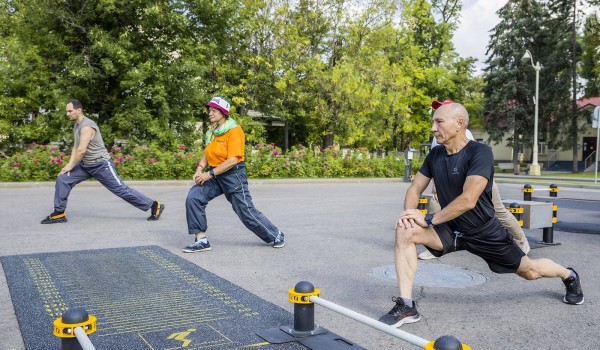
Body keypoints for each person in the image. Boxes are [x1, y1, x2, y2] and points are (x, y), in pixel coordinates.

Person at [379, 101, 583, 328]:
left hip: (483, 231)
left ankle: (569, 275)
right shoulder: (435, 154)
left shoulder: (480, 152)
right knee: (405, 230)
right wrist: (410, 213)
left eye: (439, 122)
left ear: (459, 124)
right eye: (433, 122)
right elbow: (414, 188)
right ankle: (407, 305)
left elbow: (468, 200)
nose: (433, 128)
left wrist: (427, 219)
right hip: (449, 229)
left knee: (530, 271)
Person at [418, 100, 530, 259]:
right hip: (451, 179)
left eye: (441, 111)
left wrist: (429, 220)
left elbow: (473, 164)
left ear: (458, 121)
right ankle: (435, 247)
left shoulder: (463, 133)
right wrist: (436, 184)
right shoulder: (438, 134)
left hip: (477, 180)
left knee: (499, 212)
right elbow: (438, 163)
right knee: (436, 205)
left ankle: (521, 241)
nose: (435, 124)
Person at [182, 96, 285, 252]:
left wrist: (208, 175)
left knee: (245, 211)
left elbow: (233, 160)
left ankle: (275, 235)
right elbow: (208, 152)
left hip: (233, 176)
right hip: (216, 174)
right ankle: (201, 240)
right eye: (209, 110)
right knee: (194, 197)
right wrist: (200, 169)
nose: (210, 113)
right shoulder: (214, 131)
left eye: (214, 111)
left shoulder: (234, 130)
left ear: (223, 112)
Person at [41, 99, 164, 224]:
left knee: (121, 190)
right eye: (66, 111)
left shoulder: (87, 126)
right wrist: (69, 165)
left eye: (70, 111)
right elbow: (76, 147)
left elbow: (82, 150)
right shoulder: (77, 125)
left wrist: (72, 165)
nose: (67, 113)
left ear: (79, 110)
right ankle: (59, 212)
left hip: (101, 165)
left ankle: (154, 205)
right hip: (86, 165)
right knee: (63, 179)